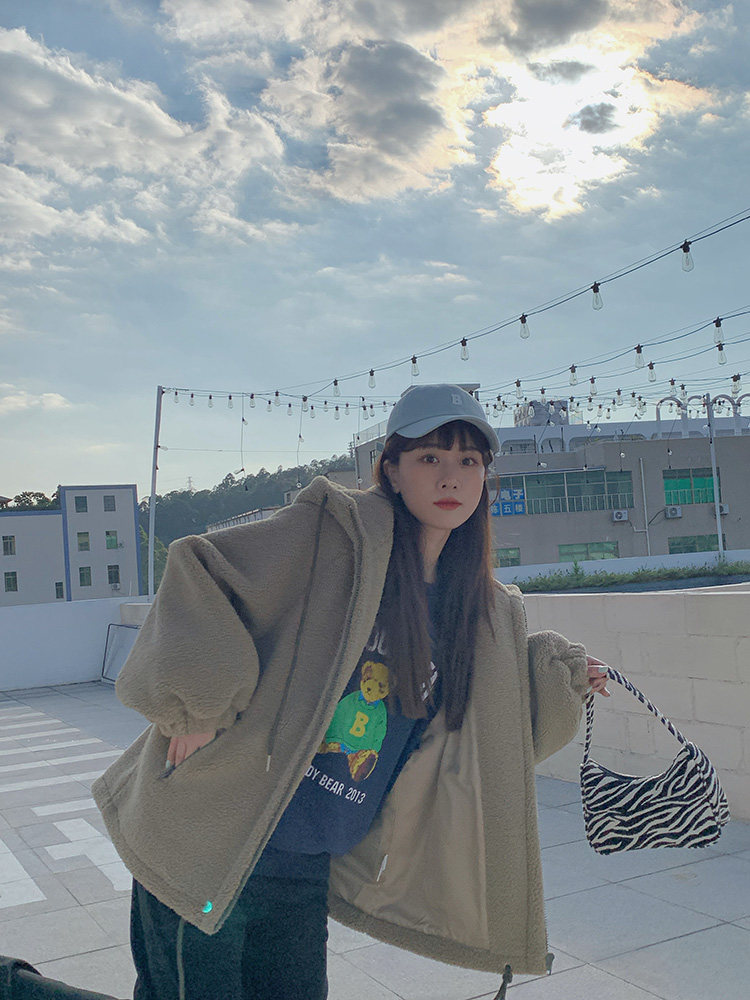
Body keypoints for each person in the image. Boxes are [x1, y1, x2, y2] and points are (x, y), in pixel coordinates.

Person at [93, 383, 609, 1000]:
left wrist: (557, 677)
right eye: (429, 457)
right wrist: (197, 706)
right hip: (211, 840)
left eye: (469, 460)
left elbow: (479, 747)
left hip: (304, 864)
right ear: (390, 469)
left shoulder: (476, 608)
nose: (451, 476)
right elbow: (200, 565)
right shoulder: (334, 534)